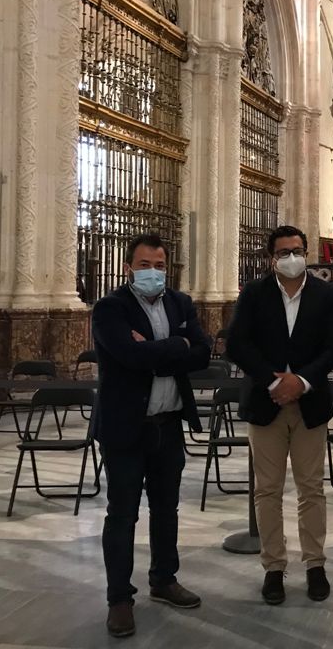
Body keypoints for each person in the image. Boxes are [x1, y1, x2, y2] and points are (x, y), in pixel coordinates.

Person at [91, 234, 212, 638]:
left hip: (168, 425)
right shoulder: (111, 308)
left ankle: (163, 579)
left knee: (166, 509)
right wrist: (176, 347)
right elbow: (127, 356)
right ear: (129, 268)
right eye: (144, 265)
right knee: (122, 514)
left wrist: (165, 347)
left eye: (159, 265)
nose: (153, 272)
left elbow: (203, 352)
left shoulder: (179, 303)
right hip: (127, 428)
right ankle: (119, 599)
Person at [225, 225, 333, 606]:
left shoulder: (325, 294)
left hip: (310, 403)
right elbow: (237, 344)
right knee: (268, 489)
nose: (292, 257)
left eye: (297, 250)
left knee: (311, 488)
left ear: (306, 252)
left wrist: (303, 381)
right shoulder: (254, 293)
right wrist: (273, 383)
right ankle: (274, 567)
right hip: (266, 403)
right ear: (270, 258)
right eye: (284, 252)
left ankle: (315, 565)